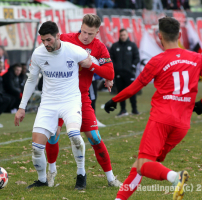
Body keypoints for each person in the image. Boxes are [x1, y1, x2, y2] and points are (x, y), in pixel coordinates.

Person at [104, 17, 202, 200]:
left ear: (160, 37)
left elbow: (136, 86)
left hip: (161, 120)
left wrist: (114, 100)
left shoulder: (157, 60)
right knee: (141, 164)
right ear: (179, 35)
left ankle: (175, 177)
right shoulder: (198, 58)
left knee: (143, 165)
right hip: (182, 125)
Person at [45, 14, 121, 188]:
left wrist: (92, 66)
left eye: (90, 34)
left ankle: (110, 178)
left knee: (94, 137)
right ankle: (51, 173)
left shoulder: (99, 48)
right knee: (53, 135)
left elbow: (110, 73)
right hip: (59, 96)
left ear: (97, 32)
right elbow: (47, 48)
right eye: (84, 32)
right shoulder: (65, 38)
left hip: (81, 97)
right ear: (81, 27)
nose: (86, 36)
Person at [14, 21, 91, 190]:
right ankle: (43, 180)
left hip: (70, 101)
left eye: (49, 40)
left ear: (58, 36)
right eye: (43, 40)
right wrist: (22, 107)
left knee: (74, 136)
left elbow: (95, 64)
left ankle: (81, 173)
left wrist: (107, 76)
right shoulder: (38, 54)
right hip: (48, 103)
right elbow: (32, 80)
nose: (46, 44)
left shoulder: (74, 50)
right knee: (36, 147)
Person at [110, 28, 140, 117]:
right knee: (120, 92)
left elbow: (137, 57)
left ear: (127, 35)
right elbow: (110, 58)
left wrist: (133, 66)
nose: (123, 36)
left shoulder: (132, 45)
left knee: (132, 92)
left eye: (124, 35)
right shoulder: (115, 46)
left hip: (129, 73)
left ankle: (134, 109)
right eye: (121, 35)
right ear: (119, 35)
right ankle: (123, 110)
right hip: (119, 73)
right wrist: (115, 67)